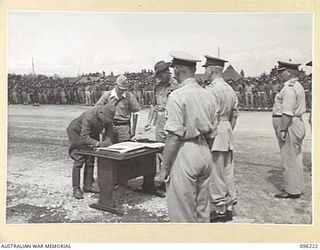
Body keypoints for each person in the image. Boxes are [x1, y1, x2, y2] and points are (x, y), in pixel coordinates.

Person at [158, 51, 219, 222]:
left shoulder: (177, 95)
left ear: (177, 70)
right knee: (202, 208)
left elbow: (174, 136)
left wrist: (164, 169)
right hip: (204, 149)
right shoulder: (208, 94)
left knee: (182, 212)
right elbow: (213, 132)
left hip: (184, 151)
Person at [203, 55, 239, 223]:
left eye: (206, 69)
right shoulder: (229, 89)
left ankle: (219, 209)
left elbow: (208, 116)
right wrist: (228, 129)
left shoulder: (211, 90)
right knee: (227, 171)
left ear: (211, 70)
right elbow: (234, 115)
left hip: (216, 131)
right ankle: (230, 205)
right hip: (227, 130)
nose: (205, 72)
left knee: (216, 173)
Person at [66, 104, 116, 199]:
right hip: (76, 132)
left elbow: (109, 130)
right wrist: (98, 144)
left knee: (90, 160)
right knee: (79, 160)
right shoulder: (89, 117)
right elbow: (84, 137)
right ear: (101, 113)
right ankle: (76, 188)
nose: (106, 122)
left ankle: (88, 185)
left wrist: (108, 142)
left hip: (92, 133)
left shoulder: (107, 116)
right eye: (105, 120)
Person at [272, 61, 306, 199]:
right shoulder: (296, 85)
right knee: (296, 156)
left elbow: (287, 112)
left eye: (281, 71)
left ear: (290, 72)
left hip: (289, 124)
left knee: (289, 157)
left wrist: (283, 130)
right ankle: (296, 186)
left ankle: (292, 191)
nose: (279, 74)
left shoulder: (289, 88)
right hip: (295, 122)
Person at [95, 74, 141, 143]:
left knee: (125, 149)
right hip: (108, 127)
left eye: (124, 89)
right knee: (108, 149)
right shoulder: (107, 95)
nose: (122, 91)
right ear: (116, 85)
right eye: (120, 89)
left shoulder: (129, 96)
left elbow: (136, 112)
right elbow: (97, 109)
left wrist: (133, 129)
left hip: (124, 128)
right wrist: (101, 127)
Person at [144, 61, 179, 142]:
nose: (159, 78)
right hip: (160, 122)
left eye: (160, 76)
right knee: (159, 147)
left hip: (173, 120)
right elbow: (153, 105)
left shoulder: (177, 86)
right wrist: (148, 122)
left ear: (167, 73)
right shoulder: (157, 87)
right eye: (158, 76)